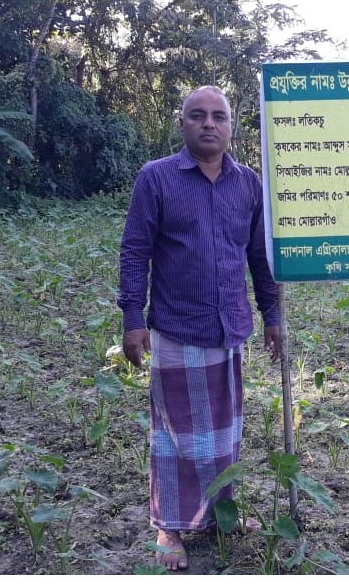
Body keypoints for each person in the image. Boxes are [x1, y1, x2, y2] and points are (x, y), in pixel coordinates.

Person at [118, 85, 282, 571]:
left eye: (218, 116)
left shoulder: (248, 184)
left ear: (231, 126)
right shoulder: (156, 178)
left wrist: (272, 315)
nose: (209, 124)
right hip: (176, 326)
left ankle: (219, 515)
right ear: (183, 123)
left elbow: (260, 257)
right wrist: (133, 319)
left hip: (229, 327)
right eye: (198, 115)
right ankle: (169, 526)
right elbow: (135, 251)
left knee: (224, 433)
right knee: (175, 436)